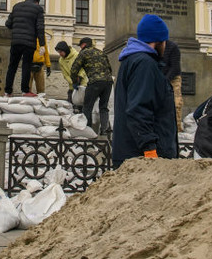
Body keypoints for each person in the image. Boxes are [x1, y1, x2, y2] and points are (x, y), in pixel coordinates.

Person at [112, 14, 177, 167]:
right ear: (158, 41)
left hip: (133, 154)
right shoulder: (144, 64)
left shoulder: (133, 60)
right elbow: (138, 109)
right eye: (165, 41)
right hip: (143, 158)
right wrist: (150, 149)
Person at [4, 0, 45, 97]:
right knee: (26, 66)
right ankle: (25, 91)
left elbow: (8, 24)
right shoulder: (38, 9)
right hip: (29, 43)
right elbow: (40, 27)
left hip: (16, 42)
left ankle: (8, 91)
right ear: (37, 2)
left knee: (12, 66)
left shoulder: (16, 6)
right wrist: (42, 44)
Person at [70, 37, 114, 135]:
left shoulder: (84, 53)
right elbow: (109, 68)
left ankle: (88, 130)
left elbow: (74, 69)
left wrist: (75, 82)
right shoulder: (101, 52)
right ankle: (105, 130)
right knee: (103, 107)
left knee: (87, 106)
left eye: (80, 45)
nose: (80, 48)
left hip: (95, 82)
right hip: (108, 82)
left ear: (84, 44)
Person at [55, 41, 87, 109]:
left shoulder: (77, 55)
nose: (60, 54)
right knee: (70, 103)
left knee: (83, 103)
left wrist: (80, 77)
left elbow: (84, 68)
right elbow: (65, 74)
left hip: (82, 83)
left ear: (65, 50)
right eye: (58, 52)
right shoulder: (61, 60)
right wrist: (72, 82)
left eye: (61, 52)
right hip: (72, 85)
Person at [161, 40, 182, 128]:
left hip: (174, 78)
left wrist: (165, 80)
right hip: (160, 77)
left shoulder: (173, 47)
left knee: (176, 103)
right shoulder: (153, 46)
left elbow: (175, 67)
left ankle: (177, 127)